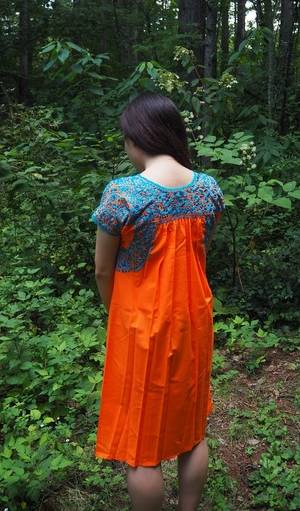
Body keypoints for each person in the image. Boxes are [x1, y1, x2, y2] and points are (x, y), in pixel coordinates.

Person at [91, 91, 224, 511]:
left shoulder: (123, 194)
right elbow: (198, 252)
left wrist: (116, 312)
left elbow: (102, 269)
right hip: (193, 319)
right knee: (192, 430)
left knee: (142, 448)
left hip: (141, 325)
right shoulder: (207, 189)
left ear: (136, 138)